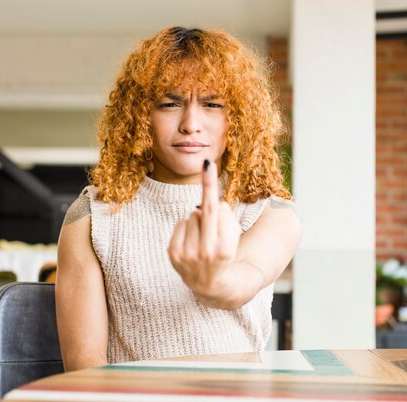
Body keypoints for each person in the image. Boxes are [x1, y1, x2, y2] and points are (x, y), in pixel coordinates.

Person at [55, 26, 302, 371]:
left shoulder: (269, 210)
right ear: (140, 117)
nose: (191, 124)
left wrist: (211, 278)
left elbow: (242, 281)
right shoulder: (91, 217)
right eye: (170, 103)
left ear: (239, 119)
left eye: (212, 103)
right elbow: (85, 368)